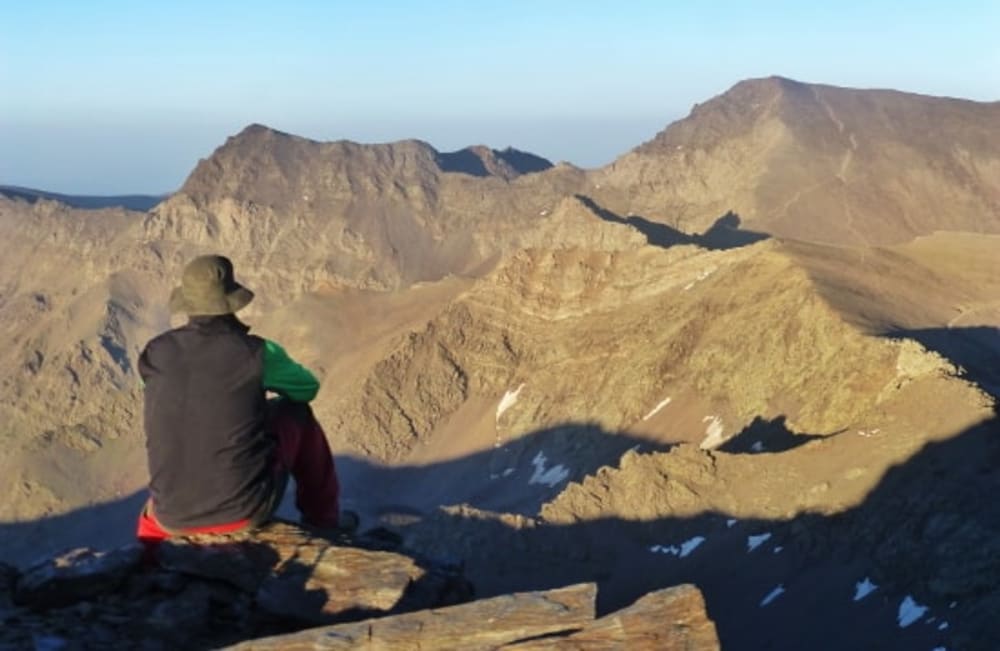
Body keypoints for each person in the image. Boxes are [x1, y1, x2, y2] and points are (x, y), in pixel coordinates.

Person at [136, 254, 356, 543]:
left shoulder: (155, 352)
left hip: (170, 516)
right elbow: (306, 390)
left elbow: (163, 392)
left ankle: (149, 553)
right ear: (232, 300)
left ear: (187, 303)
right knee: (297, 415)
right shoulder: (258, 353)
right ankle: (325, 521)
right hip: (242, 510)